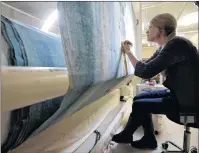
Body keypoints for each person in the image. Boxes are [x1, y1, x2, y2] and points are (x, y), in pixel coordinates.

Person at [112, 13, 199, 149]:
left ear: (161, 30)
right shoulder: (165, 47)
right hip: (179, 98)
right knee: (139, 98)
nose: (147, 30)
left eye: (150, 26)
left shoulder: (177, 44)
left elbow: (145, 72)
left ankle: (129, 135)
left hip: (191, 110)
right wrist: (130, 52)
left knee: (141, 105)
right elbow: (146, 66)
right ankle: (148, 138)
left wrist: (129, 52)